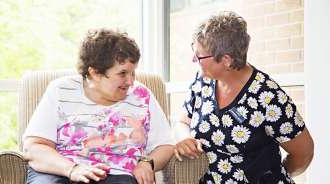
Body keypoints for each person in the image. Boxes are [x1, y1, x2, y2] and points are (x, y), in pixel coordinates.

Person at [173, 11, 314, 184]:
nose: (193, 59)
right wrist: (185, 139)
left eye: (199, 55)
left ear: (226, 60)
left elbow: (304, 152)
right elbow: (182, 121)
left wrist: (273, 176)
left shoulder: (268, 96)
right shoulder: (203, 80)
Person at [23, 29, 174, 184]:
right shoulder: (60, 91)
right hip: (62, 171)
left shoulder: (142, 96)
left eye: (132, 72)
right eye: (122, 73)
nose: (130, 81)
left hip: (118, 175)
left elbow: (165, 145)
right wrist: (72, 169)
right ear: (95, 72)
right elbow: (34, 148)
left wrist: (147, 163)